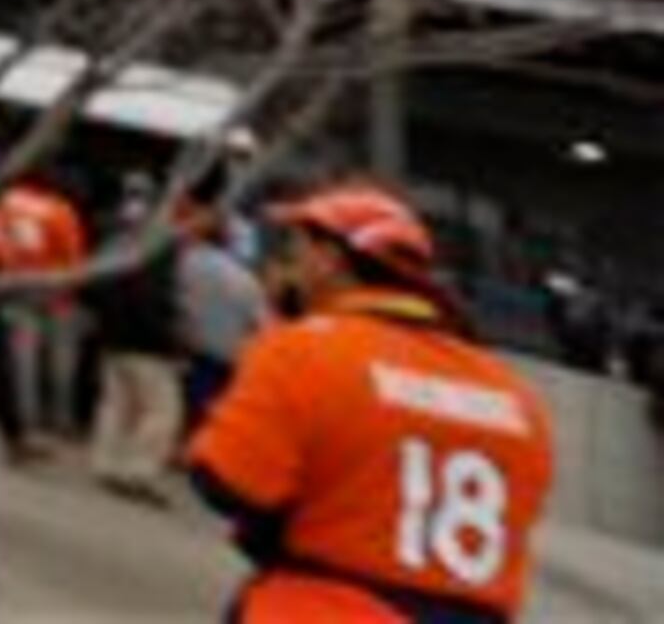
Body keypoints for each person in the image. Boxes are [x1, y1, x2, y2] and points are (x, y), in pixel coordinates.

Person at [186, 183, 555, 621]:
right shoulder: (516, 397)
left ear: (329, 259)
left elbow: (226, 483)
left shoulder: (304, 350)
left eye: (296, 249)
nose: (288, 266)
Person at [85, 202, 188, 502]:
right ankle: (138, 472)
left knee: (115, 404)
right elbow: (152, 302)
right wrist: (170, 343)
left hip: (112, 337)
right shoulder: (157, 253)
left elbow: (93, 288)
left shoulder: (113, 245)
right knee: (163, 411)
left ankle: (106, 464)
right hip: (146, 343)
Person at [0, 166, 89, 454]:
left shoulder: (4, 201)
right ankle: (56, 420)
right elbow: (74, 258)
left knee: (20, 361)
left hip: (8, 283)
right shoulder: (60, 211)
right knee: (58, 362)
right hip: (50, 290)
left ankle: (23, 420)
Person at [174, 195, 272, 430]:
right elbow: (262, 322)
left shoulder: (180, 265)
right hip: (228, 357)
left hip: (188, 351)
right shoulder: (242, 277)